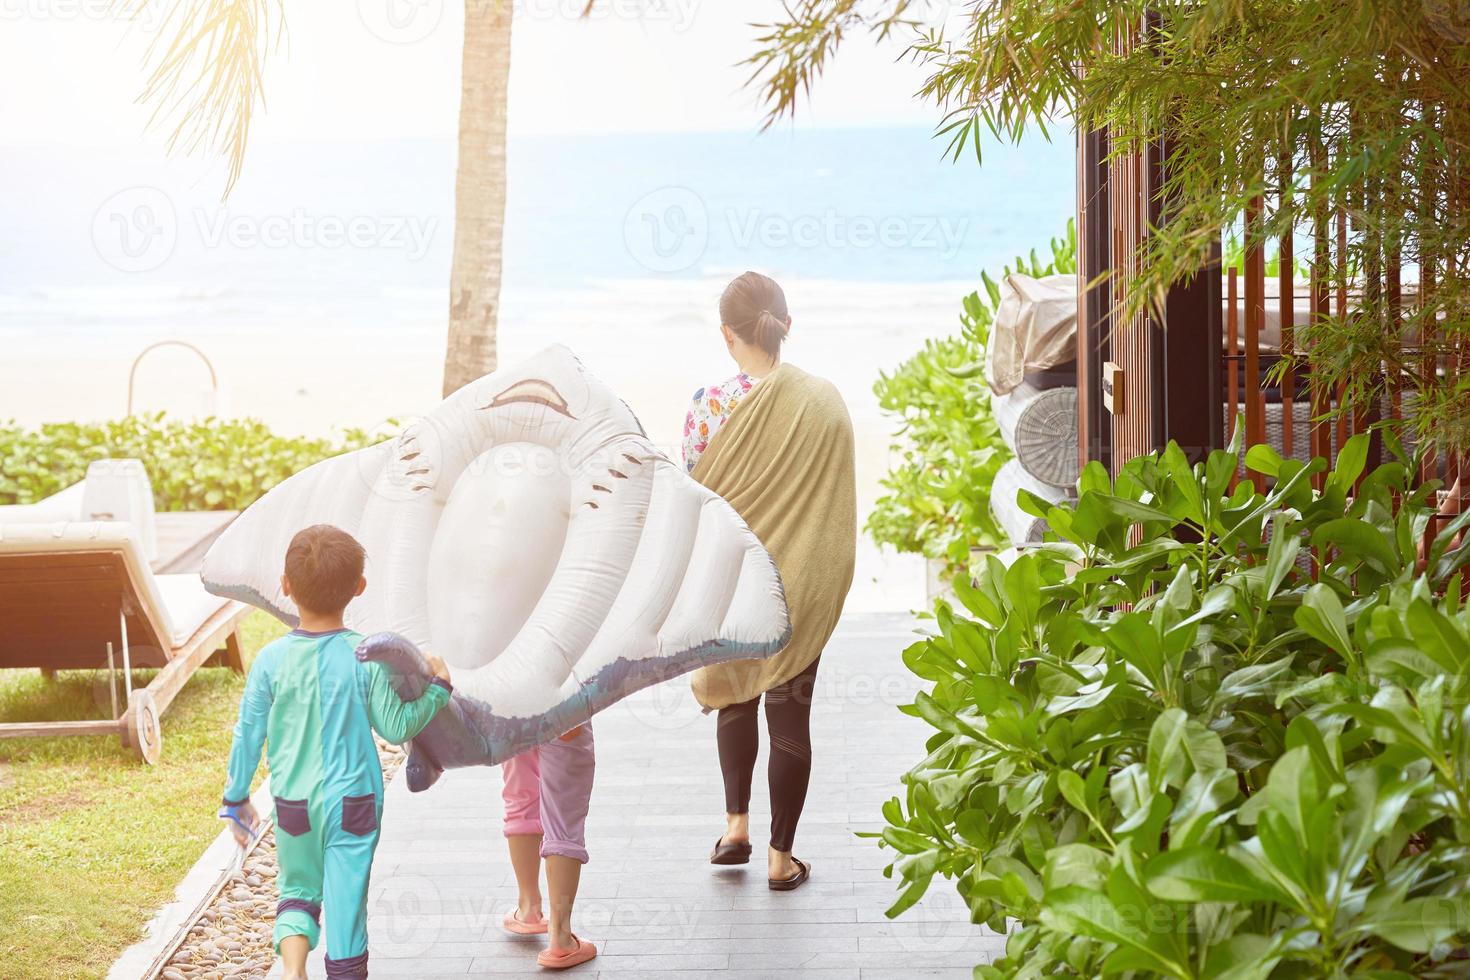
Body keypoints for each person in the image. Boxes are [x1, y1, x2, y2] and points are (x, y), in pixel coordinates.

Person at [684, 271, 857, 891]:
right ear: (788, 324)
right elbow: (833, 505)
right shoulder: (824, 400)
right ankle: (783, 860)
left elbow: (698, 501)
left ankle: (736, 828)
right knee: (790, 715)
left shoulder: (707, 406)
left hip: (734, 586)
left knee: (735, 696)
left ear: (727, 335)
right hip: (797, 584)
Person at [218, 525, 453, 980]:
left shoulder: (270, 661)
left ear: (285, 587)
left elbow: (248, 733)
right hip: (354, 804)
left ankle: (291, 970)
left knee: (298, 890)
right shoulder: (367, 656)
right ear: (358, 588)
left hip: (294, 802)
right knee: (346, 907)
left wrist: (235, 797)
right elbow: (395, 725)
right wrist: (438, 690)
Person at [499, 723, 599, 969]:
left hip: (511, 708)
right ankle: (560, 936)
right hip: (566, 709)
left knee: (520, 799)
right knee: (563, 818)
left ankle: (528, 908)